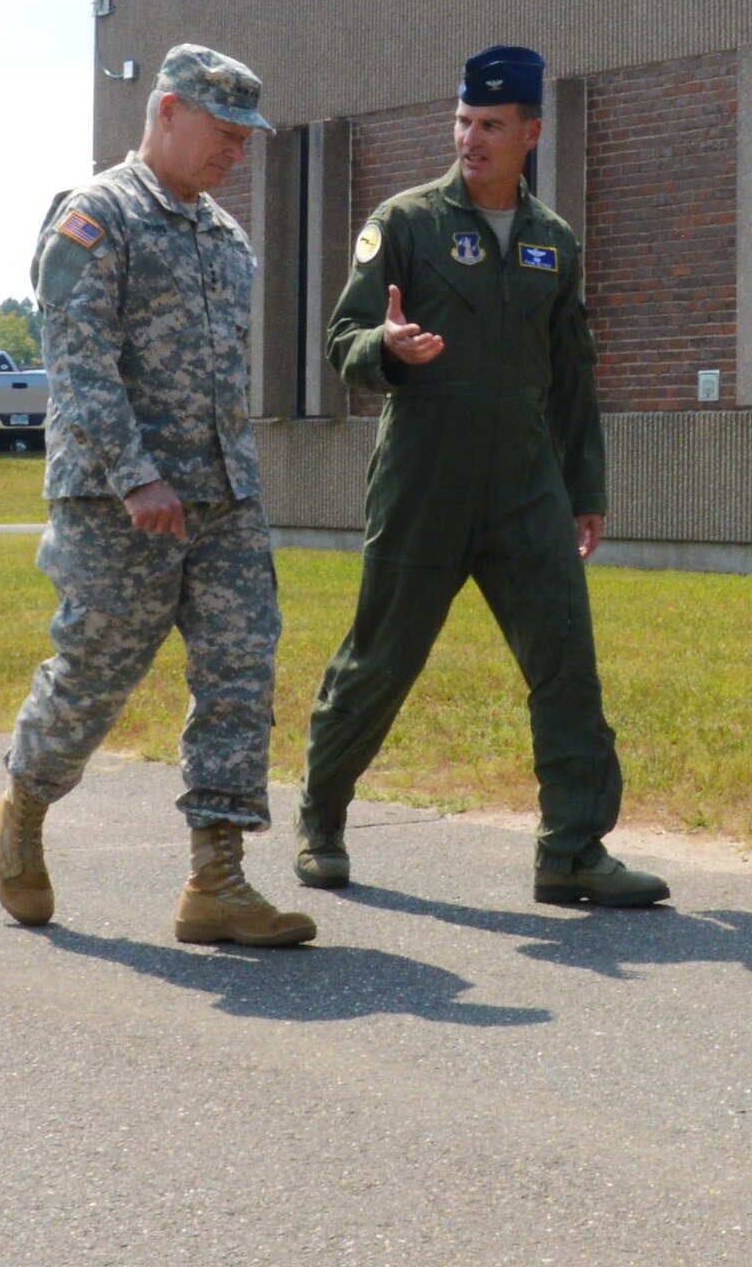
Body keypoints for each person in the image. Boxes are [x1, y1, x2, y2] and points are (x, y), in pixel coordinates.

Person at [296, 44, 667, 908]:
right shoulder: (407, 222)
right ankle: (321, 819)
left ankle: (573, 851)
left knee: (565, 663)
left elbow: (574, 376)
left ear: (530, 133)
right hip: (423, 480)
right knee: (381, 661)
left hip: (525, 487)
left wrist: (586, 492)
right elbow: (342, 341)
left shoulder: (553, 242)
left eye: (491, 126)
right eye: (463, 122)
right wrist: (382, 349)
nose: (472, 138)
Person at [0, 44, 316, 949]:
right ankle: (23, 803)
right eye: (224, 132)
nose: (236, 154)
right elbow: (78, 360)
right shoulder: (99, 214)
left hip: (222, 499)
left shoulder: (227, 237)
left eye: (247, 140)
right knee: (94, 674)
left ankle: (217, 879)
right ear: (167, 110)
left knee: (239, 673)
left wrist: (227, 480)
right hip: (115, 499)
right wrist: (136, 473)